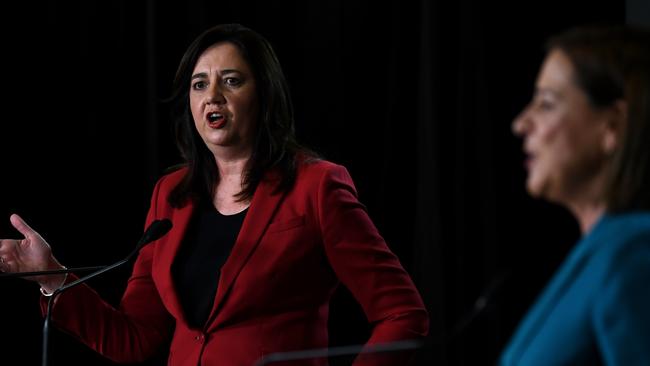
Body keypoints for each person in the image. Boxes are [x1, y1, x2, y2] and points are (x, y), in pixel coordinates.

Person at [0, 23, 428, 365]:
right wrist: (53, 277)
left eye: (232, 81)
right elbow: (133, 339)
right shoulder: (170, 196)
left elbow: (403, 314)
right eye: (199, 84)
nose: (213, 97)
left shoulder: (317, 187)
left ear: (264, 94)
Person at [500, 25, 650, 365]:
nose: (522, 124)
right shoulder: (602, 251)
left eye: (547, 104)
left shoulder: (635, 253)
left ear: (611, 127)